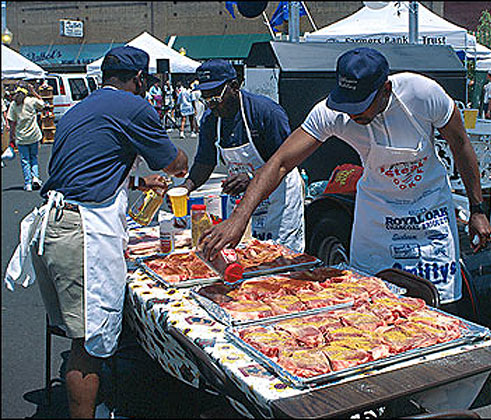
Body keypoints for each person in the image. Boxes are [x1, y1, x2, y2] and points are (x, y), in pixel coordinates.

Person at [201, 47, 491, 309]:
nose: (352, 114)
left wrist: (477, 209)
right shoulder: (331, 112)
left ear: (385, 89)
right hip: (377, 218)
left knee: (438, 308)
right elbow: (280, 162)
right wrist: (239, 217)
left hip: (428, 215)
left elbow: (461, 144)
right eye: (347, 104)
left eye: (360, 105)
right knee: (372, 304)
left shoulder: (423, 94)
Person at [30, 45, 188, 418]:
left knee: (82, 335)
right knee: (87, 344)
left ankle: (99, 405)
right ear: (139, 80)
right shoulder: (135, 107)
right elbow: (175, 164)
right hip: (81, 232)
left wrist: (136, 181)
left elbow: (86, 169)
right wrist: (178, 164)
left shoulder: (78, 109)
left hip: (52, 226)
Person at [178, 59, 305, 251]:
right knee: (240, 255)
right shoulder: (210, 120)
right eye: (206, 99)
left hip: (279, 201)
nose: (211, 105)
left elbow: (284, 163)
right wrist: (186, 188)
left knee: (279, 257)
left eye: (215, 98)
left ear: (234, 87)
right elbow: (204, 162)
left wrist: (252, 178)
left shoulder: (266, 113)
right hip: (240, 202)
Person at [7, 81, 46, 190]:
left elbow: (12, 122)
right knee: (34, 157)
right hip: (33, 134)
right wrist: (34, 92)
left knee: (25, 160)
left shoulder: (14, 104)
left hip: (21, 136)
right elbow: (42, 104)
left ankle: (28, 183)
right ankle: (36, 178)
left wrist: (12, 136)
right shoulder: (31, 101)